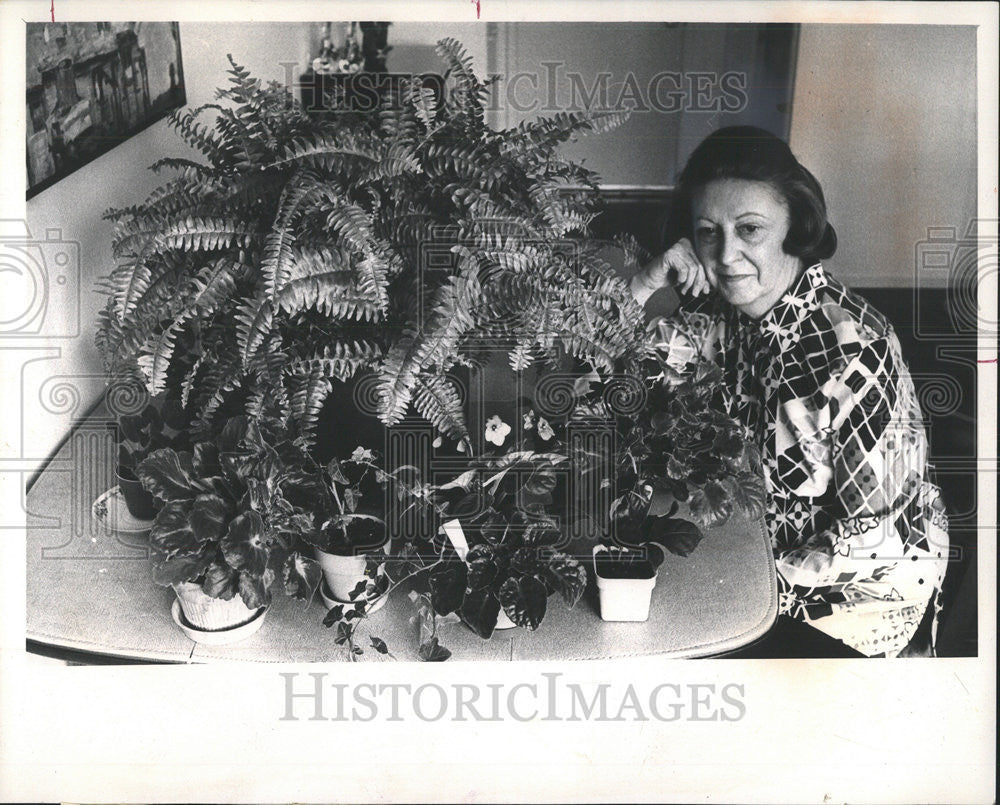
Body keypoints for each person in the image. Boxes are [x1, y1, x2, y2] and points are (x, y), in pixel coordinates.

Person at [629, 126, 949, 657]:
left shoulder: (853, 348)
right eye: (709, 232)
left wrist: (743, 594)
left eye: (749, 229)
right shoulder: (710, 320)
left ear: (794, 226)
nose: (727, 254)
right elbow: (602, 388)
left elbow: (878, 534)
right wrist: (644, 284)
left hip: (850, 607)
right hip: (738, 587)